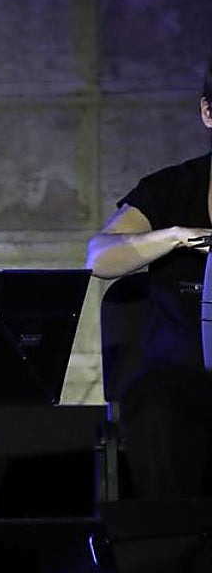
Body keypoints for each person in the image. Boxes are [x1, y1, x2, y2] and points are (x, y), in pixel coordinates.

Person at [85, 57, 212, 499]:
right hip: (180, 380)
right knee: (160, 411)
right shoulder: (172, 188)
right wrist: (174, 236)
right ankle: (175, 535)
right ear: (207, 112)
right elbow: (99, 257)